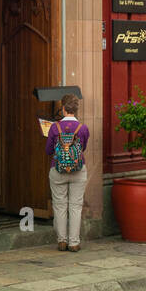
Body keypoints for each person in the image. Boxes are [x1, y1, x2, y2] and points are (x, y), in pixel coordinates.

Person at [46, 94, 90, 253]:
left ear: (63, 109)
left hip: (57, 169)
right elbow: (83, 148)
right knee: (76, 206)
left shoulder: (54, 127)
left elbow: (48, 150)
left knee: (59, 206)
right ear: (76, 110)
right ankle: (74, 243)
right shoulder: (83, 128)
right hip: (78, 170)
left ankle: (62, 241)